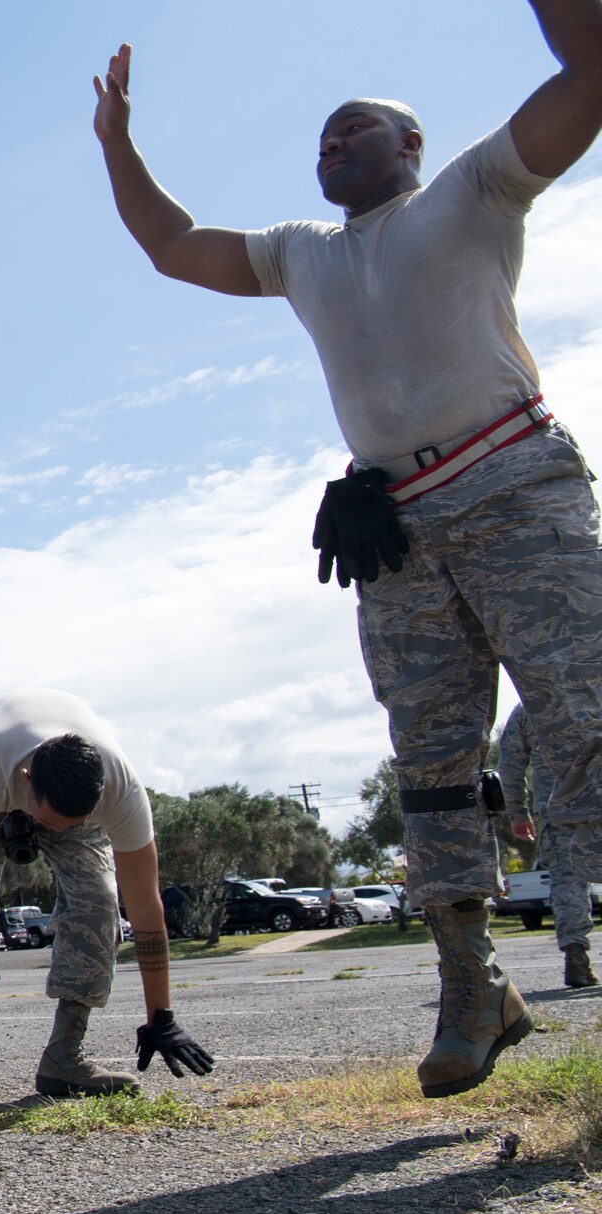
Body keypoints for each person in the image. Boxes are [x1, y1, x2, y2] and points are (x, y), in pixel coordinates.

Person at [91, 6, 602, 1097]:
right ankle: (472, 989)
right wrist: (116, 146)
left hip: (512, 484)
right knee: (429, 769)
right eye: (319, 135)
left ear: (408, 146)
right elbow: (171, 247)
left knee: (584, 718)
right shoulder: (302, 253)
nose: (329, 142)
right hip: (394, 524)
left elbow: (587, 77)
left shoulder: (470, 189)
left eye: (353, 128)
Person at [0, 689, 214, 1098]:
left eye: (69, 824)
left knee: (98, 899)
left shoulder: (120, 791)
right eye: (48, 821)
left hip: (62, 787)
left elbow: (146, 905)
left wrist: (161, 1015)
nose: (55, 833)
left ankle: (65, 1056)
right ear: (26, 785)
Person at [498, 703, 597, 986]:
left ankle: (576, 956)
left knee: (569, 883)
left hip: (561, 806)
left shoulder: (531, 702)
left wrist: (518, 812)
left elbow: (510, 763)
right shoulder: (593, 685)